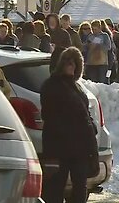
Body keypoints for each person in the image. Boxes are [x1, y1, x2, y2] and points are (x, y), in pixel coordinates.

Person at [40, 47, 98, 203]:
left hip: (80, 148)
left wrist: (91, 127)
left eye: (74, 63)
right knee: (55, 190)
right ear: (60, 64)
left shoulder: (77, 87)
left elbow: (85, 114)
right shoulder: (52, 85)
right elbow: (49, 116)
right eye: (67, 62)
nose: (70, 65)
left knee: (80, 190)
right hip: (59, 147)